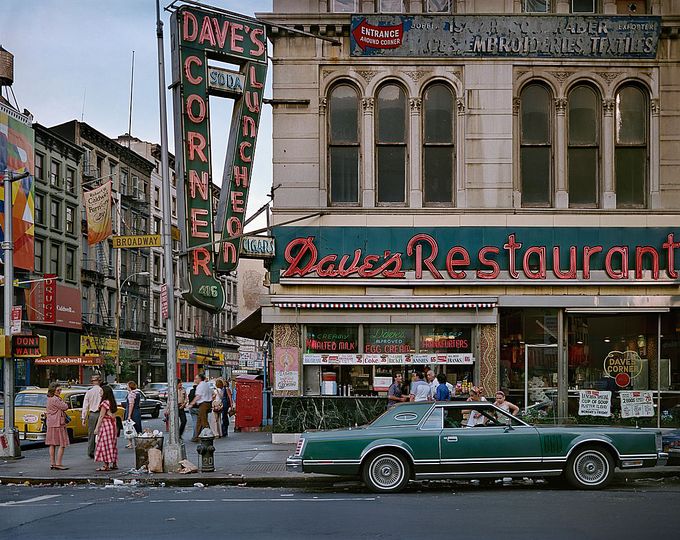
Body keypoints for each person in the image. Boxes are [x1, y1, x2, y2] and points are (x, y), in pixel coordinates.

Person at [94, 385, 119, 471]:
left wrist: (96, 428)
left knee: (105, 444)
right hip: (112, 425)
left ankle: (106, 465)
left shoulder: (104, 403)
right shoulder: (112, 402)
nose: (100, 393)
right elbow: (113, 415)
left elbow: (101, 416)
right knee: (112, 443)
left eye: (101, 391)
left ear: (105, 393)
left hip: (105, 425)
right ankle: (114, 463)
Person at [45, 383, 69, 470]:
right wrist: (64, 402)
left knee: (52, 444)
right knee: (62, 444)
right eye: (58, 390)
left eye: (60, 390)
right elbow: (65, 407)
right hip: (58, 423)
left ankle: (52, 463)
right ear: (53, 390)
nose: (60, 391)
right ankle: (58, 463)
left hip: (51, 423)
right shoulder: (56, 399)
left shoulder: (49, 399)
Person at [81, 374, 103, 459]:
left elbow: (85, 406)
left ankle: (91, 451)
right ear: (99, 381)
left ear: (93, 382)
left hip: (92, 414)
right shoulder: (102, 391)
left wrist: (83, 418)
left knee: (91, 434)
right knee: (101, 433)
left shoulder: (89, 392)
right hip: (101, 413)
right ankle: (100, 451)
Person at [185, 373, 212, 442]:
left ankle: (208, 435)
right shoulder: (206, 385)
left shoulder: (200, 386)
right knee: (200, 421)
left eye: (196, 378)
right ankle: (197, 436)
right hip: (207, 403)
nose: (195, 380)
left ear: (200, 379)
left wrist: (191, 404)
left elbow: (198, 396)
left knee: (203, 420)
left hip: (203, 404)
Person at [125, 381, 142, 448]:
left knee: (129, 427)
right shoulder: (137, 393)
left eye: (127, 385)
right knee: (137, 426)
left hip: (132, 412)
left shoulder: (131, 394)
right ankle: (139, 442)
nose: (126, 387)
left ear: (130, 386)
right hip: (137, 411)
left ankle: (130, 443)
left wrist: (129, 415)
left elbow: (131, 405)